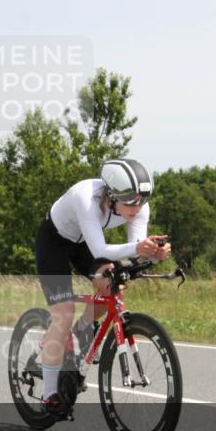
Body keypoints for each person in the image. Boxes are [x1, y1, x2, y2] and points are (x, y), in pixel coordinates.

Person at [34, 159, 171, 416]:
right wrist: (140, 249)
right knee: (62, 315)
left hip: (84, 242)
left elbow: (136, 250)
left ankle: (80, 330)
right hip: (54, 242)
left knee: (112, 284)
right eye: (129, 200)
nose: (136, 206)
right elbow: (100, 250)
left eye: (141, 199)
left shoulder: (140, 207)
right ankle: (49, 394)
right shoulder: (86, 196)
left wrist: (154, 254)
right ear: (110, 192)